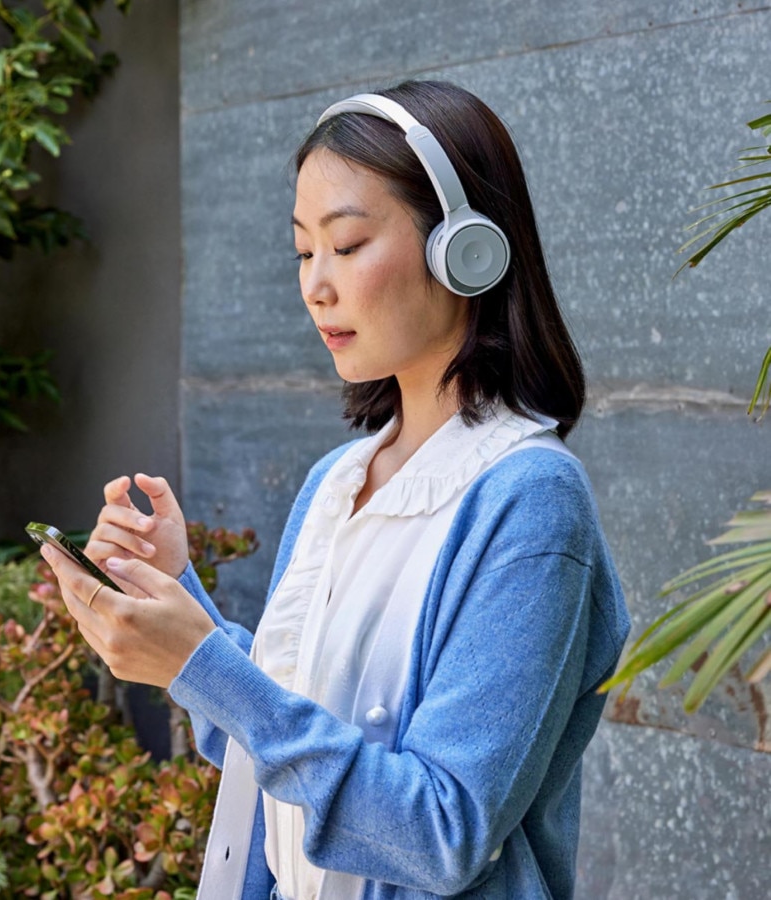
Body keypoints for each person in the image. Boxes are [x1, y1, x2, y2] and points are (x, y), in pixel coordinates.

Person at [40, 80, 630, 900]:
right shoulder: (336, 482)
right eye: (302, 251)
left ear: (466, 249)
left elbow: (440, 833)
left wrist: (201, 664)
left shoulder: (528, 500)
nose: (316, 284)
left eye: (347, 245)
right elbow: (282, 737)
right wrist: (179, 606)